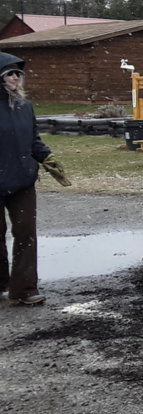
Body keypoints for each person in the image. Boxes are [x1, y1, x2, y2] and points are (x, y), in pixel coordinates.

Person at [0, 52, 70, 306]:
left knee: (25, 233)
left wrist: (48, 160)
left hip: (22, 180)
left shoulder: (24, 107)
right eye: (10, 73)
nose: (16, 78)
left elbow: (33, 141)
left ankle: (24, 288)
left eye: (18, 73)